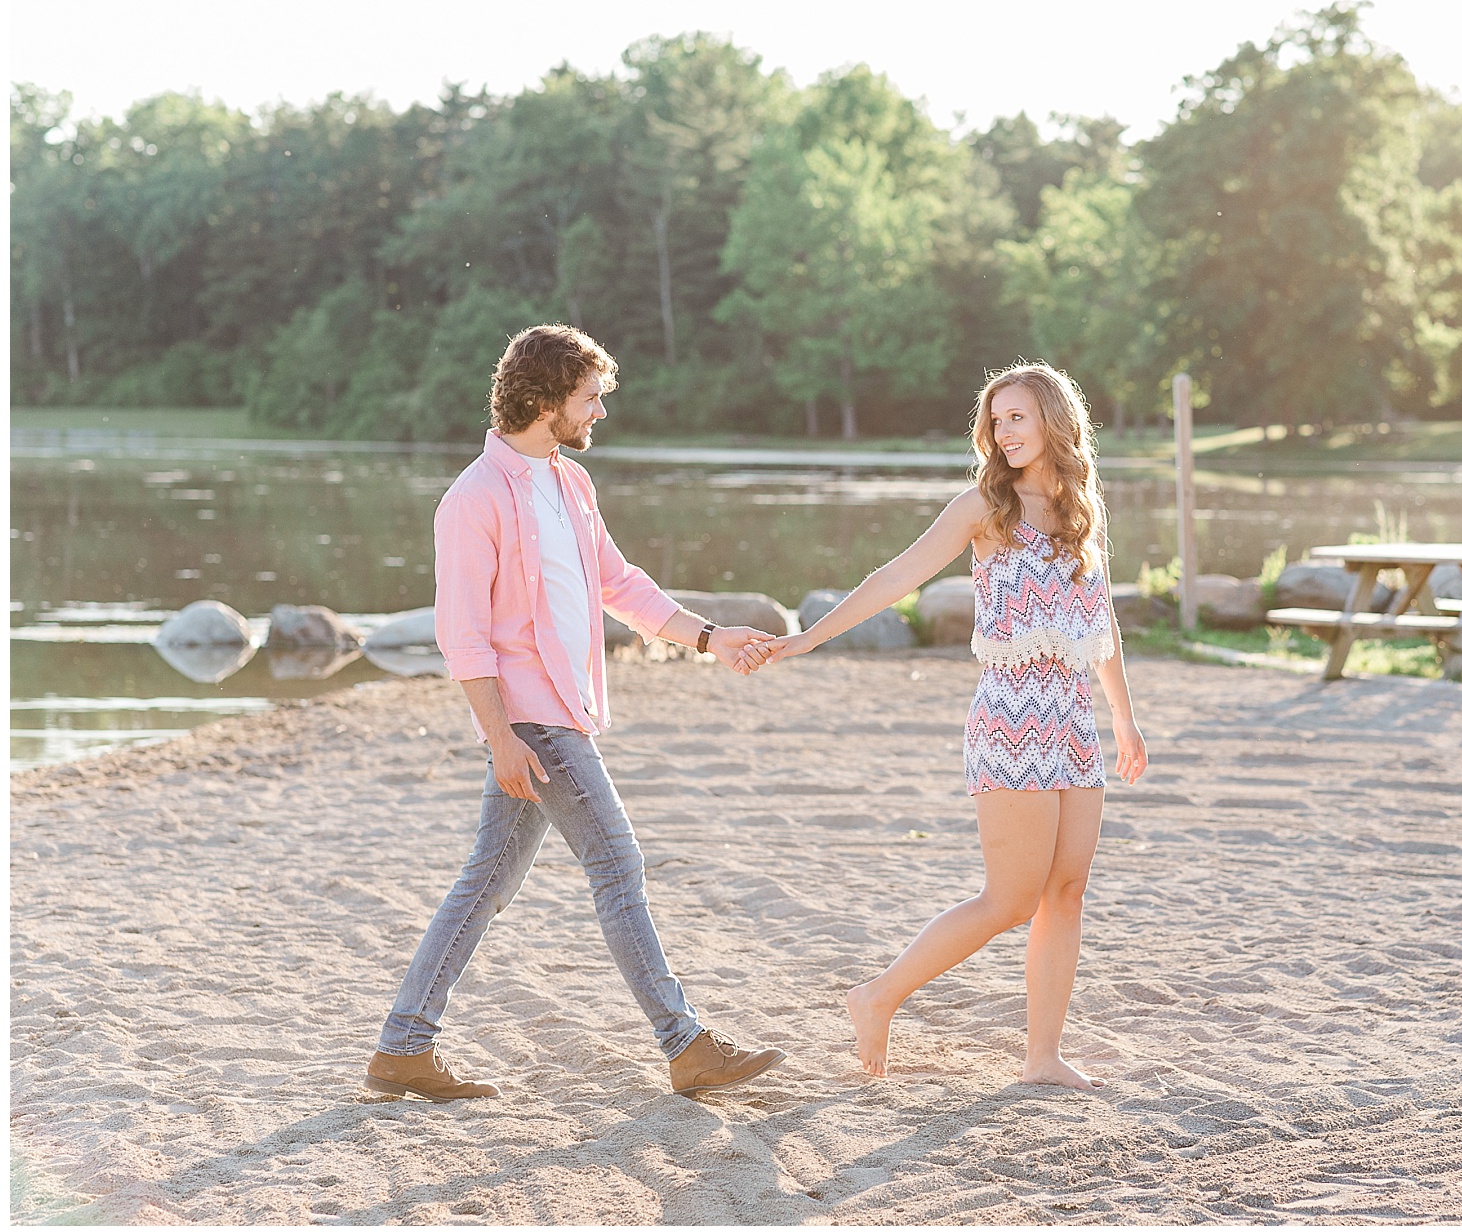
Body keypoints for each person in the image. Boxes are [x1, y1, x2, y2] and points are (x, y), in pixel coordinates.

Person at [367, 324, 787, 1101]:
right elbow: (462, 639)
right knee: (617, 865)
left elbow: (618, 583)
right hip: (531, 721)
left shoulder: (570, 484)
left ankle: (403, 1046)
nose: (599, 412)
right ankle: (685, 1043)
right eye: (590, 397)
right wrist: (500, 737)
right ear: (545, 398)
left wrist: (709, 635)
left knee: (487, 880)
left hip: (561, 712)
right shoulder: (473, 501)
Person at [749, 362, 1147, 1089]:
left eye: (1018, 416)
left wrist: (1124, 717)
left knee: (1066, 892)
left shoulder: (1083, 507)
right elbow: (896, 577)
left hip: (1073, 723)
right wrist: (807, 637)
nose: (1005, 432)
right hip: (1010, 721)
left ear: (1056, 420)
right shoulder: (983, 509)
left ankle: (1042, 1057)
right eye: (997, 421)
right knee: (1011, 898)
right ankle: (877, 995)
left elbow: (1104, 616)